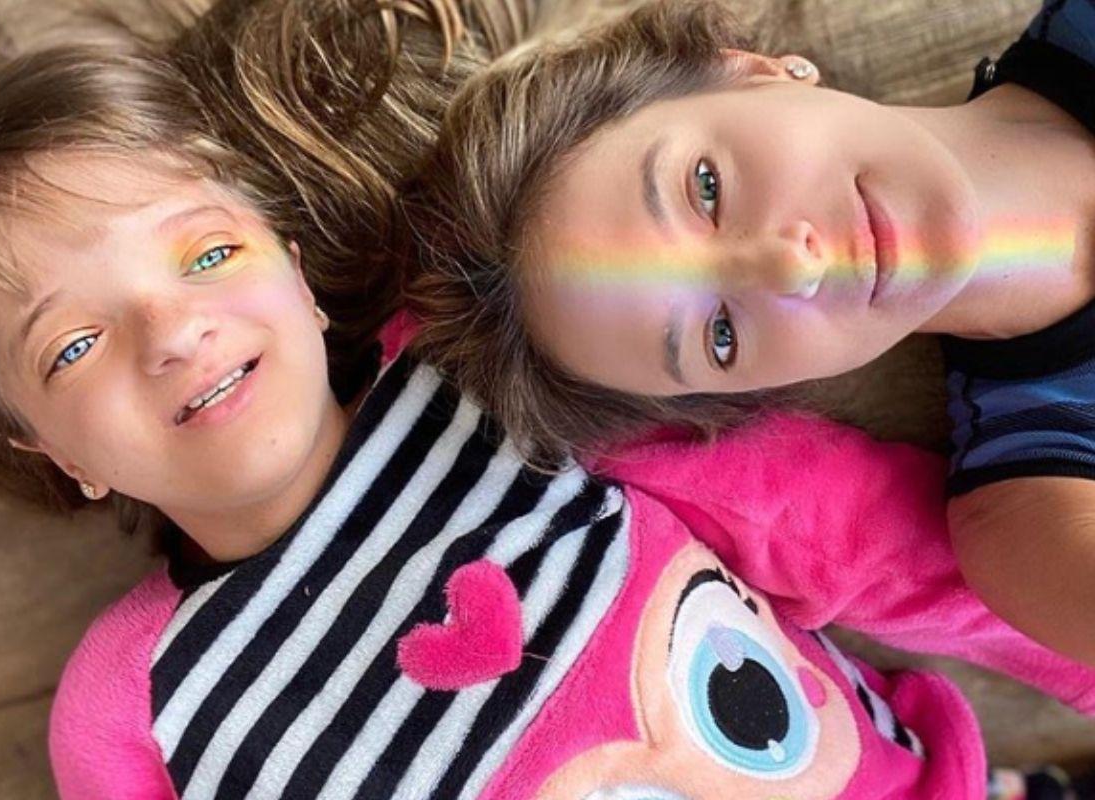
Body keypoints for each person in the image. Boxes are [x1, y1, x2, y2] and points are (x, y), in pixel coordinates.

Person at [0, 2, 1090, 798]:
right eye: (75, 344)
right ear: (52, 450)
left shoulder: (506, 391)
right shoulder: (127, 704)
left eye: (208, 254)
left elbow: (865, 544)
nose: (173, 333)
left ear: (299, 277)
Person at [399, 0, 1095, 665]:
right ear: (762, 389)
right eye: (722, 336)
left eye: (706, 188)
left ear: (749, 69)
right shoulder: (1040, 527)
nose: (795, 267)